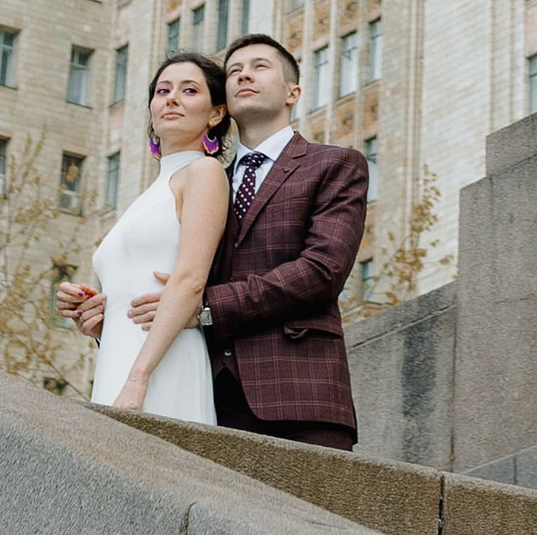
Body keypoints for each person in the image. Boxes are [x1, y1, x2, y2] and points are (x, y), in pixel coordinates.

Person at [132, 32, 367, 450]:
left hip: (301, 395)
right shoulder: (206, 182)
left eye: (260, 67)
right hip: (208, 398)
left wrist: (208, 308)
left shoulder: (335, 165)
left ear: (293, 92)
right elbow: (175, 278)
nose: (244, 75)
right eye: (234, 71)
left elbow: (321, 271)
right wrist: (111, 316)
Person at [59, 51, 230, 420]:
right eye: (162, 91)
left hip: (162, 366)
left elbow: (190, 280)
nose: (172, 99)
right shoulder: (149, 194)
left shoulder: (203, 172)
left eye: (189, 91)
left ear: (216, 113)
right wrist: (95, 319)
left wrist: (139, 377)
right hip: (117, 361)